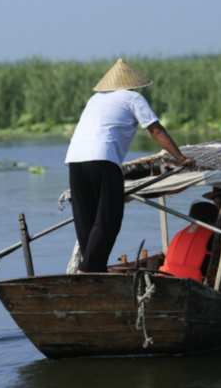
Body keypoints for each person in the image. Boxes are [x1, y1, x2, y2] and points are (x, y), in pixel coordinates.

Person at [65, 59, 195, 273]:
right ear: (131, 84)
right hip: (103, 158)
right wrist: (181, 158)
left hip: (75, 160)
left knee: (85, 218)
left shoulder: (94, 99)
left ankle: (92, 269)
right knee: (109, 218)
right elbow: (156, 131)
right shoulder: (134, 98)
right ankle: (87, 271)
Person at [159, 201, 219, 282]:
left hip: (166, 281)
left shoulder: (179, 234)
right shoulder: (213, 237)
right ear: (213, 219)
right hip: (195, 284)